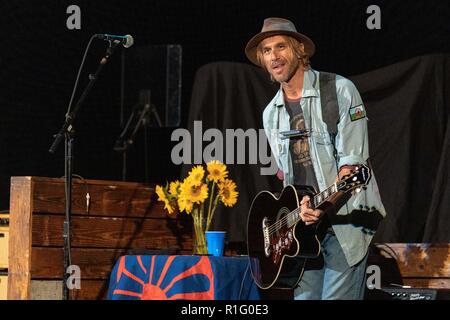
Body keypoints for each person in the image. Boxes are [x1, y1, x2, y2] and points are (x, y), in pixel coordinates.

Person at [245, 17, 386, 300]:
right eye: (267, 50)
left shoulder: (339, 90)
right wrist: (291, 215)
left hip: (345, 223)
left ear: (299, 49)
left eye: (281, 46)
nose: (274, 56)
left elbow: (352, 165)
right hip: (302, 233)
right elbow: (285, 176)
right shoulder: (271, 113)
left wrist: (323, 205)